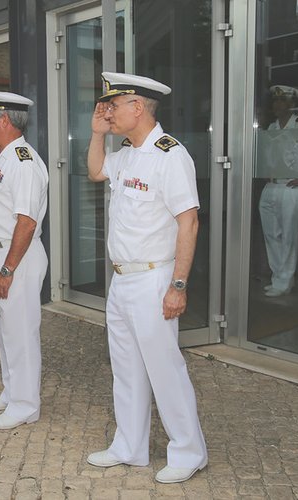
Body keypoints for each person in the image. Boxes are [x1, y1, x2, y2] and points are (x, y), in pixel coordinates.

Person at [86, 72, 207, 483]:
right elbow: (96, 171)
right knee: (126, 368)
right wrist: (98, 134)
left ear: (137, 107)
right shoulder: (128, 152)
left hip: (155, 280)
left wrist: (178, 285)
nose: (107, 111)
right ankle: (130, 446)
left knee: (164, 369)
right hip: (122, 281)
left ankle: (189, 451)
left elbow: (188, 223)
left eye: (113, 106)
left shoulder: (170, 155)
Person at [0, 90, 48, 430]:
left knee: (20, 332)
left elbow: (26, 221)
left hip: (17, 259)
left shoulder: (23, 161)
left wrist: (7, 268)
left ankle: (25, 404)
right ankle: (12, 390)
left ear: (4, 120)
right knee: (5, 331)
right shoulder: (4, 156)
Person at [259, 85, 298, 297]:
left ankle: (285, 281)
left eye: (282, 101)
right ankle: (278, 277)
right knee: (271, 234)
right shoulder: (272, 127)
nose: (277, 105)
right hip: (272, 185)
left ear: (292, 105)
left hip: (291, 187)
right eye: (275, 101)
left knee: (289, 236)